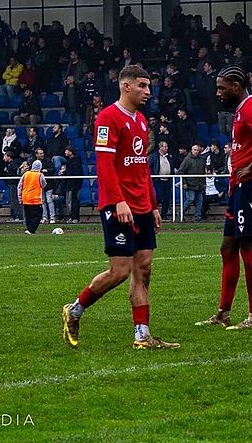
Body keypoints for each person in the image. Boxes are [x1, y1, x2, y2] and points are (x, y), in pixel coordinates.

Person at [61, 65, 178, 350]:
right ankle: (74, 310)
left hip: (141, 205)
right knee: (120, 270)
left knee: (144, 268)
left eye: (149, 86)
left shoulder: (140, 121)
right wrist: (118, 201)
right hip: (118, 205)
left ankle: (142, 335)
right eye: (142, 85)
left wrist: (153, 205)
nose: (148, 92)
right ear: (126, 86)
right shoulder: (107, 118)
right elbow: (104, 165)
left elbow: (142, 169)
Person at [199, 65, 252, 330]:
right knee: (227, 247)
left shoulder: (250, 107)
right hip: (239, 186)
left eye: (222, 87)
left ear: (237, 85)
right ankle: (223, 312)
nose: (218, 93)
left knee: (248, 247)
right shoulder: (239, 112)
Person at [17, 160, 46, 234]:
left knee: (28, 215)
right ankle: (31, 229)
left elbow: (19, 186)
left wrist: (20, 198)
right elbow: (43, 184)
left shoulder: (26, 174)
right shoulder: (40, 175)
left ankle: (29, 229)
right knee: (38, 215)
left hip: (26, 198)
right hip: (35, 199)